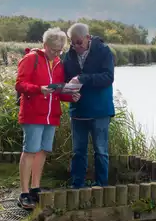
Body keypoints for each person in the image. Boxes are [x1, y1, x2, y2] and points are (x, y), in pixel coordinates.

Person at [15, 27, 80, 209]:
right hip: (33, 113)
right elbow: (20, 84)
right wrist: (39, 89)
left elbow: (58, 91)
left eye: (60, 51)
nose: (56, 54)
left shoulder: (59, 64)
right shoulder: (31, 59)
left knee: (42, 151)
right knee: (30, 151)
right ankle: (24, 192)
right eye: (53, 50)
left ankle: (35, 188)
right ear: (45, 45)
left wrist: (70, 95)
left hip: (51, 115)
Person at [63, 23, 115, 189]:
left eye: (79, 42)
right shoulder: (68, 56)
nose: (76, 46)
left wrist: (83, 78)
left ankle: (102, 186)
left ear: (88, 37)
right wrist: (70, 94)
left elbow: (108, 77)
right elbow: (65, 81)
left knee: (101, 151)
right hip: (78, 111)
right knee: (78, 151)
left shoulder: (104, 51)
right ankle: (77, 186)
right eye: (73, 43)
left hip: (100, 110)